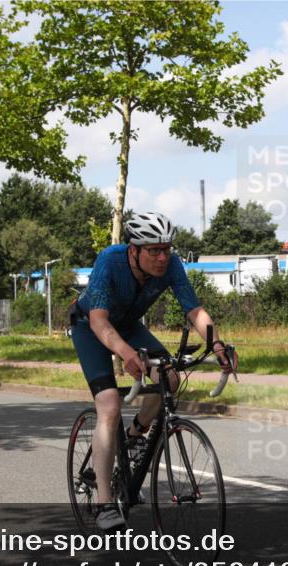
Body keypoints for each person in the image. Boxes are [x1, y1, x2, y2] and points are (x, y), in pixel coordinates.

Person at [71, 212, 236, 531]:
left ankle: (134, 437)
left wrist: (217, 345)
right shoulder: (111, 260)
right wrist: (127, 354)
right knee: (108, 404)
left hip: (128, 327)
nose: (162, 257)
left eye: (167, 249)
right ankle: (105, 504)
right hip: (91, 326)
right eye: (154, 251)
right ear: (134, 250)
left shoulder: (172, 265)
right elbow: (99, 321)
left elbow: (195, 310)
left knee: (170, 379)